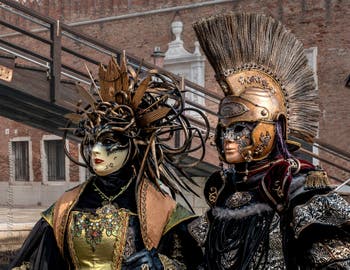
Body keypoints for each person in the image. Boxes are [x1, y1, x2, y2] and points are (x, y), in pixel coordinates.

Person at [9, 54, 207, 269]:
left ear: (131, 145)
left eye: (108, 142)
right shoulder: (67, 205)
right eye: (93, 141)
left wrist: (161, 264)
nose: (95, 149)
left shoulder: (158, 207)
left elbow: (194, 262)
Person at [188, 12, 350, 269]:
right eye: (225, 130)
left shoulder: (296, 186)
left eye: (241, 129)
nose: (229, 139)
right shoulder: (223, 190)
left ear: (272, 128)